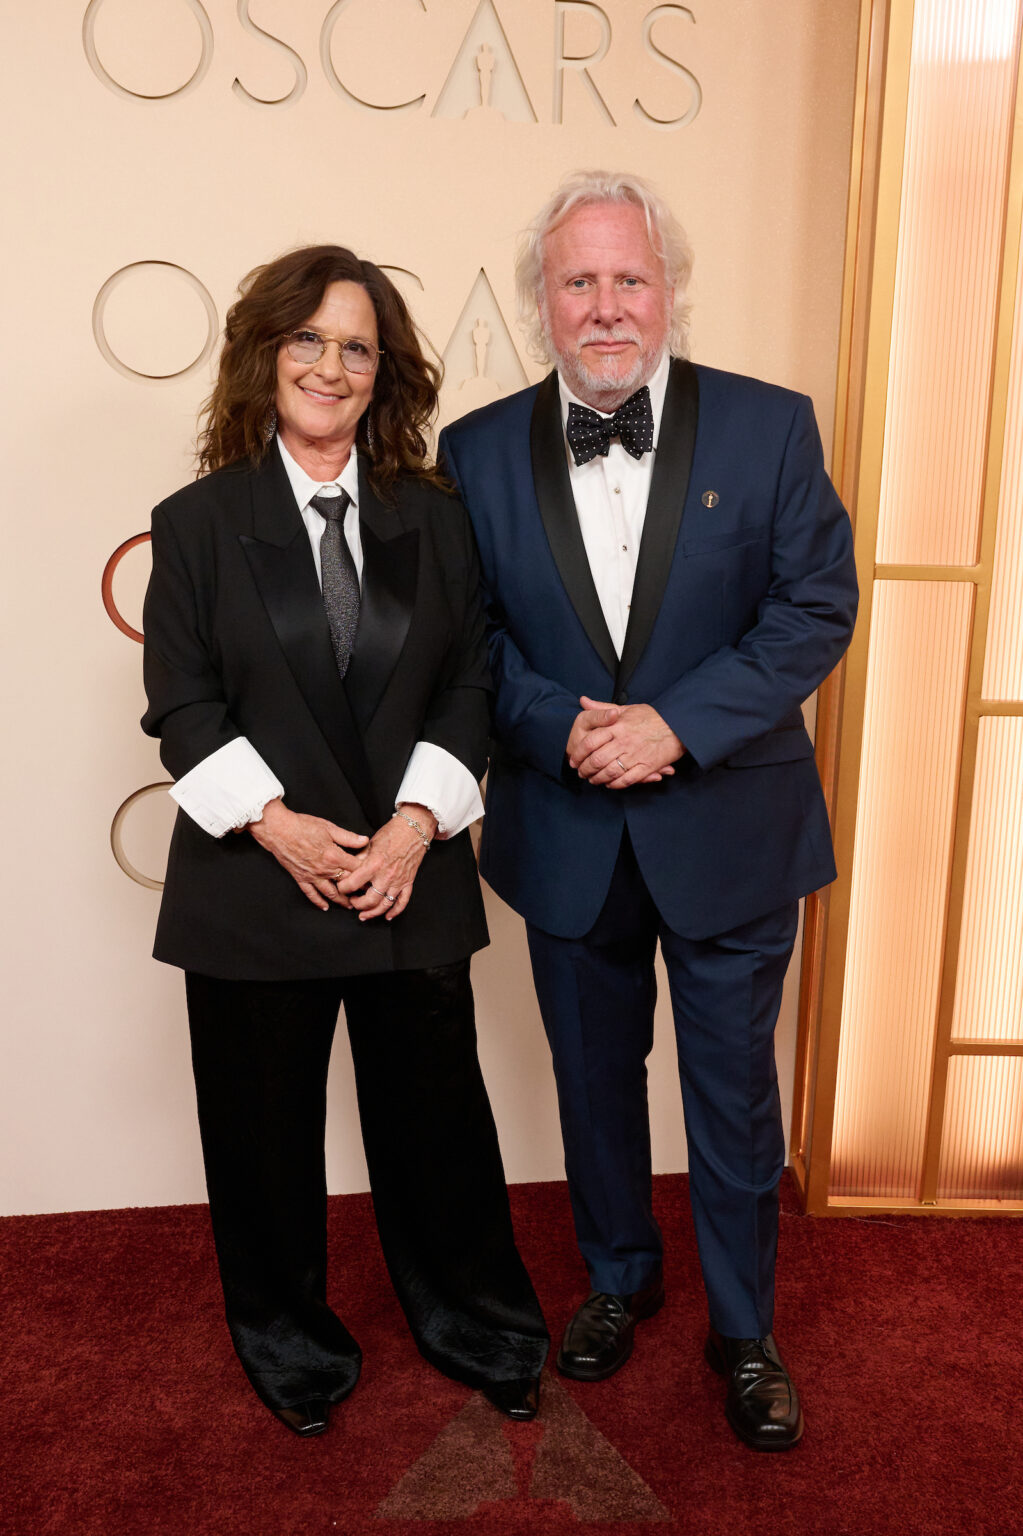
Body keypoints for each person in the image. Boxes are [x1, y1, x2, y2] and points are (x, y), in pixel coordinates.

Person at [439, 171, 857, 1451]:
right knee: (591, 1082)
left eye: (630, 278)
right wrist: (558, 726)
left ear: (669, 288)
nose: (607, 306)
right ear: (542, 301)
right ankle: (620, 1276)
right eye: (579, 282)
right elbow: (469, 639)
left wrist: (676, 723)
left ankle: (745, 1329)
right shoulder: (473, 451)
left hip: (731, 825)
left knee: (733, 1096)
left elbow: (815, 608)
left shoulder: (771, 427)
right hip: (566, 827)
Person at [141, 245, 548, 1438]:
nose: (331, 365)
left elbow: (469, 685)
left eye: (357, 346)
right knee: (260, 1144)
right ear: (266, 356)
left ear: (386, 373)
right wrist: (274, 827)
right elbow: (182, 705)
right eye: (309, 340)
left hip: (405, 875)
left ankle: (482, 1328)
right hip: (255, 883)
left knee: (441, 1133)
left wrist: (416, 826)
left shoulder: (437, 518)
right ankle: (291, 1350)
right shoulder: (197, 523)